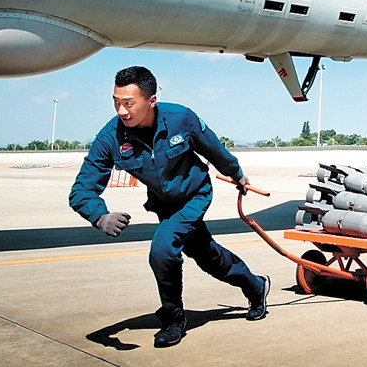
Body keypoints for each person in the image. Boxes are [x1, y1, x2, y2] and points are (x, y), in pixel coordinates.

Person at [69, 66, 270, 348]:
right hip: (164, 204)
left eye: (128, 103)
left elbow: (213, 149)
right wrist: (99, 216)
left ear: (151, 100)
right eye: (116, 102)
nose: (121, 111)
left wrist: (237, 173)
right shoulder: (110, 138)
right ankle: (255, 285)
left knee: (162, 250)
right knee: (207, 256)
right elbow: (82, 189)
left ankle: (173, 318)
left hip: (195, 194)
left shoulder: (180, 118)